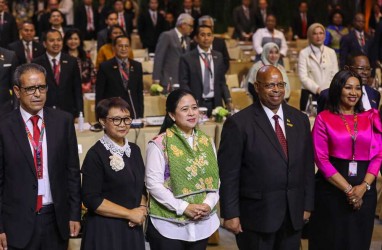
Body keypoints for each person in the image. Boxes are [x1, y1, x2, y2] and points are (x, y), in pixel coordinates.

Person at [218, 65, 315, 250]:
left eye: (280, 84)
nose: (276, 90)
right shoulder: (238, 124)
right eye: (270, 85)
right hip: (256, 217)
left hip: (293, 215)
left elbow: (307, 167)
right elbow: (229, 174)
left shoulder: (300, 120)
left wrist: (307, 205)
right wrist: (230, 214)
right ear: (257, 86)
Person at [0, 63, 81, 249]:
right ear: (17, 91)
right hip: (17, 224)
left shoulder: (63, 121)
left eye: (41, 87)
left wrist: (74, 214)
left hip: (56, 219)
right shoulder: (4, 126)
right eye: (30, 89)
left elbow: (72, 172)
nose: (37, 94)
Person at [309, 69, 382, 250]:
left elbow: (378, 155)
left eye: (358, 88)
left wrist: (363, 188)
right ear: (338, 89)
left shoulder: (371, 116)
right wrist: (350, 190)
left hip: (365, 192)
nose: (353, 93)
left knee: (359, 242)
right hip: (332, 192)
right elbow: (321, 160)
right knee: (330, 242)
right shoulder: (323, 119)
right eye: (348, 87)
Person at [145, 89, 220, 250]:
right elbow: (153, 184)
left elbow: (215, 180)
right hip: (168, 226)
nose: (192, 113)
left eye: (194, 108)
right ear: (172, 115)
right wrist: (184, 207)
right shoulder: (159, 144)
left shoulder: (207, 142)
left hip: (202, 224)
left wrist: (208, 204)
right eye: (185, 109)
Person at [81, 97, 147, 250]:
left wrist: (142, 209)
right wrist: (129, 214)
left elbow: (141, 187)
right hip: (105, 231)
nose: (123, 124)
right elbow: (92, 199)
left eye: (126, 119)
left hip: (131, 228)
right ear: (103, 121)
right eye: (116, 120)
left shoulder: (134, 150)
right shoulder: (95, 154)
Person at [179, 25, 232, 116]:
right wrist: (191, 102)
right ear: (196, 38)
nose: (206, 38)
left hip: (216, 104)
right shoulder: (187, 58)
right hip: (196, 103)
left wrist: (228, 100)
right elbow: (184, 84)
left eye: (209, 35)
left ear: (213, 37)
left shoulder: (218, 57)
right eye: (202, 35)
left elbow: (222, 82)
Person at [33, 29, 83, 117]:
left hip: (68, 112)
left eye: (59, 40)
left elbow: (77, 90)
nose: (56, 43)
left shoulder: (72, 61)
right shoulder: (36, 63)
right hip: (44, 112)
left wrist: (80, 113)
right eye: (52, 40)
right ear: (44, 43)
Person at [96, 35, 143, 118]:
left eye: (126, 46)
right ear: (114, 48)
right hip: (112, 113)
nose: (124, 49)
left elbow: (139, 93)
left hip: (132, 112)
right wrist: (100, 117)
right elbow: (100, 94)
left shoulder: (137, 66)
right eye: (120, 46)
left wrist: (140, 115)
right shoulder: (105, 67)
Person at [298, 23, 338, 111]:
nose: (318, 36)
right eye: (315, 33)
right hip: (309, 93)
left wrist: (327, 90)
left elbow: (335, 74)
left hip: (328, 94)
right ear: (309, 35)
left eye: (321, 33)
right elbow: (303, 77)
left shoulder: (331, 52)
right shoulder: (304, 53)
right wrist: (317, 89)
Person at [152, 13, 193, 90]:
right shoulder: (167, 36)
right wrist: (156, 79)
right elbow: (159, 58)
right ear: (183, 24)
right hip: (168, 81)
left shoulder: (188, 40)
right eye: (190, 26)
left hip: (182, 82)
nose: (192, 29)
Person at [63, 29, 96, 93]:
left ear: (80, 41)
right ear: (66, 41)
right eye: (70, 39)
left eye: (76, 39)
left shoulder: (86, 56)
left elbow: (93, 73)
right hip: (67, 91)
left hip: (86, 90)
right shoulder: (62, 57)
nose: (73, 41)